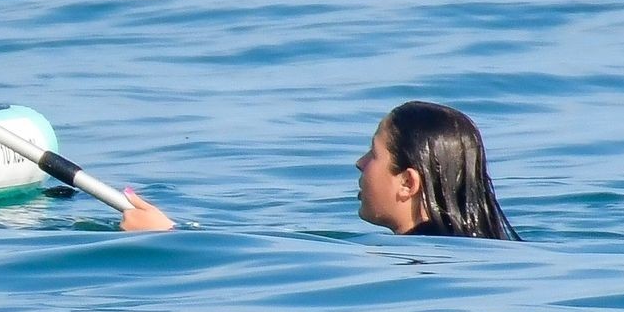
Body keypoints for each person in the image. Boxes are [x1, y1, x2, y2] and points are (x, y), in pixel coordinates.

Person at [119, 101, 519, 239]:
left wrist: (168, 238)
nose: (360, 163)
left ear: (407, 183)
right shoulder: (484, 249)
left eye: (373, 153)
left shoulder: (410, 265)